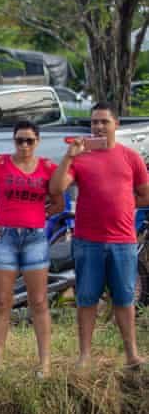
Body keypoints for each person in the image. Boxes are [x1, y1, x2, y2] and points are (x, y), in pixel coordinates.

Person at [50, 102, 149, 371]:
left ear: (116, 124)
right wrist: (69, 156)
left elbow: (145, 195)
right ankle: (84, 356)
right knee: (86, 299)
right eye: (94, 122)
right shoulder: (80, 158)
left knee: (124, 299)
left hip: (123, 241)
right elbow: (56, 188)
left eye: (104, 122)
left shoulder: (130, 157)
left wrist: (123, 209)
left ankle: (131, 355)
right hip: (87, 241)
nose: (98, 126)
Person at [0, 121, 63, 377]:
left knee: (38, 301)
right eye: (20, 140)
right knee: (3, 301)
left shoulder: (48, 167)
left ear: (37, 142)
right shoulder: (0, 164)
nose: (24, 145)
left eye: (29, 140)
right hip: (3, 236)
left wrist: (40, 215)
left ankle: (45, 364)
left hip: (34, 238)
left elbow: (59, 202)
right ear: (13, 141)